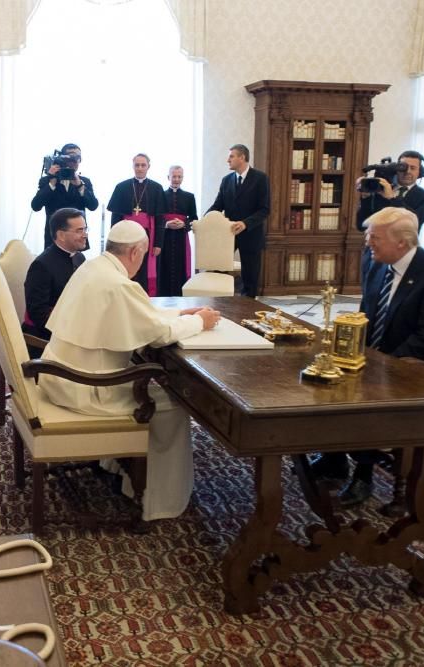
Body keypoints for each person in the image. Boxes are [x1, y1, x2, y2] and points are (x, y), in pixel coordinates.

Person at [39, 220, 221, 520]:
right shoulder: (118, 283)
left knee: (156, 387)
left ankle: (118, 465)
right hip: (89, 389)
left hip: (61, 378)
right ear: (136, 251)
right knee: (175, 403)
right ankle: (158, 501)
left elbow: (138, 315)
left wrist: (180, 312)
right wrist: (201, 322)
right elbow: (159, 334)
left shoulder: (94, 267)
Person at [311, 207, 424, 507]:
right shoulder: (378, 265)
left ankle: (363, 474)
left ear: (402, 242)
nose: (367, 243)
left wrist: (379, 362)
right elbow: (367, 316)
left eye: (375, 237)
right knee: (326, 376)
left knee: (367, 392)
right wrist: (349, 348)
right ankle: (334, 460)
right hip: (385, 357)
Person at [22, 207, 87, 356]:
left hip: (72, 331)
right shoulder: (42, 265)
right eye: (79, 231)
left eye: (85, 229)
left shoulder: (79, 258)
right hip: (45, 341)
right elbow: (38, 313)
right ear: (61, 235)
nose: (85, 235)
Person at [206, 144, 270, 297]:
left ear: (242, 157)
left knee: (250, 278)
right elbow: (217, 205)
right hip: (228, 235)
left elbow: (264, 209)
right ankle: (220, 306)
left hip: (251, 235)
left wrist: (245, 223)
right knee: (217, 269)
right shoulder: (226, 180)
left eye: (231, 156)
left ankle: (247, 310)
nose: (228, 160)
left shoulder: (261, 178)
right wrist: (203, 222)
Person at [106, 153, 167, 296]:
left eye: (143, 165)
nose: (140, 168)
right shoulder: (121, 187)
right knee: (126, 266)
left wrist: (158, 243)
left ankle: (145, 298)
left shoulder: (157, 188)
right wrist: (114, 239)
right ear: (133, 166)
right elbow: (115, 216)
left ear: (148, 167)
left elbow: (160, 219)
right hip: (125, 238)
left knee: (145, 270)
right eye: (137, 165)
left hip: (147, 237)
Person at [31, 142, 98, 249]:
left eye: (78, 157)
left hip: (78, 239)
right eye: (71, 157)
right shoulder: (47, 181)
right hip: (54, 239)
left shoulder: (84, 181)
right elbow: (35, 206)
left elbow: (93, 206)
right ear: (62, 159)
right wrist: (51, 182)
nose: (75, 161)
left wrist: (80, 186)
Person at [355, 150, 424, 232]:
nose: (407, 171)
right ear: (396, 169)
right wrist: (366, 197)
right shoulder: (380, 189)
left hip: (404, 244)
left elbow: (415, 221)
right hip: (374, 243)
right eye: (403, 167)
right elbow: (362, 226)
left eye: (413, 168)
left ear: (420, 172)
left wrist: (392, 198)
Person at [159, 165, 199, 297]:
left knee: (180, 268)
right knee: (163, 268)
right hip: (164, 238)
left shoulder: (189, 197)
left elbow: (194, 219)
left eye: (179, 176)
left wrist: (184, 224)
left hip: (181, 239)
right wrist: (166, 224)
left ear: (182, 177)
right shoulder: (161, 195)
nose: (176, 179)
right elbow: (156, 218)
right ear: (168, 177)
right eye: (174, 176)